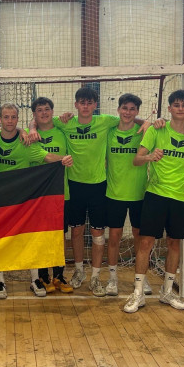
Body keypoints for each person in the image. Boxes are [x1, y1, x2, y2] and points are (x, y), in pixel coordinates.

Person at [123, 89, 184, 314]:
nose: (180, 108)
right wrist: (150, 156)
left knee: (174, 244)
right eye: (176, 105)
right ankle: (138, 293)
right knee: (146, 243)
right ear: (169, 108)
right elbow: (137, 159)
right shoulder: (156, 130)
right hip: (156, 194)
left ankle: (167, 291)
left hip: (180, 198)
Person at [0, 103, 73, 298]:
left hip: (24, 200)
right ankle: (0, 281)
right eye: (6, 117)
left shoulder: (26, 143)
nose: (9, 121)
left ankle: (35, 280)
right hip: (0, 199)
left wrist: (64, 158)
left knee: (29, 238)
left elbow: (47, 157)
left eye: (13, 117)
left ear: (18, 119)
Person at [43, 87, 120, 297]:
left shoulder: (105, 121)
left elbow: (130, 118)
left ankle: (95, 277)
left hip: (98, 186)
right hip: (74, 186)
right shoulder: (65, 123)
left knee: (98, 234)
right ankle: (79, 271)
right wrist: (30, 129)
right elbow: (40, 121)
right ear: (76, 104)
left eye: (89, 103)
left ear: (95, 105)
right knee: (76, 231)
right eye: (82, 102)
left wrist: (148, 123)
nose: (85, 106)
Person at [105, 93, 150, 297]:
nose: (128, 112)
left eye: (132, 109)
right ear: (118, 109)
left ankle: (141, 278)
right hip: (114, 193)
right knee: (114, 237)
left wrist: (148, 122)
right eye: (125, 108)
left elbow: (166, 125)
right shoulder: (109, 132)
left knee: (140, 237)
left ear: (137, 111)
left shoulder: (144, 132)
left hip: (139, 193)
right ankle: (112, 278)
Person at [28, 97, 72, 294]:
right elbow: (42, 157)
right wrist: (63, 158)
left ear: (52, 112)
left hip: (61, 193)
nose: (44, 113)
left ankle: (59, 275)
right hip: (39, 196)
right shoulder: (30, 136)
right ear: (34, 114)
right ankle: (43, 275)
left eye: (47, 109)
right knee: (41, 235)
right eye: (39, 110)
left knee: (60, 235)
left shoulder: (62, 131)